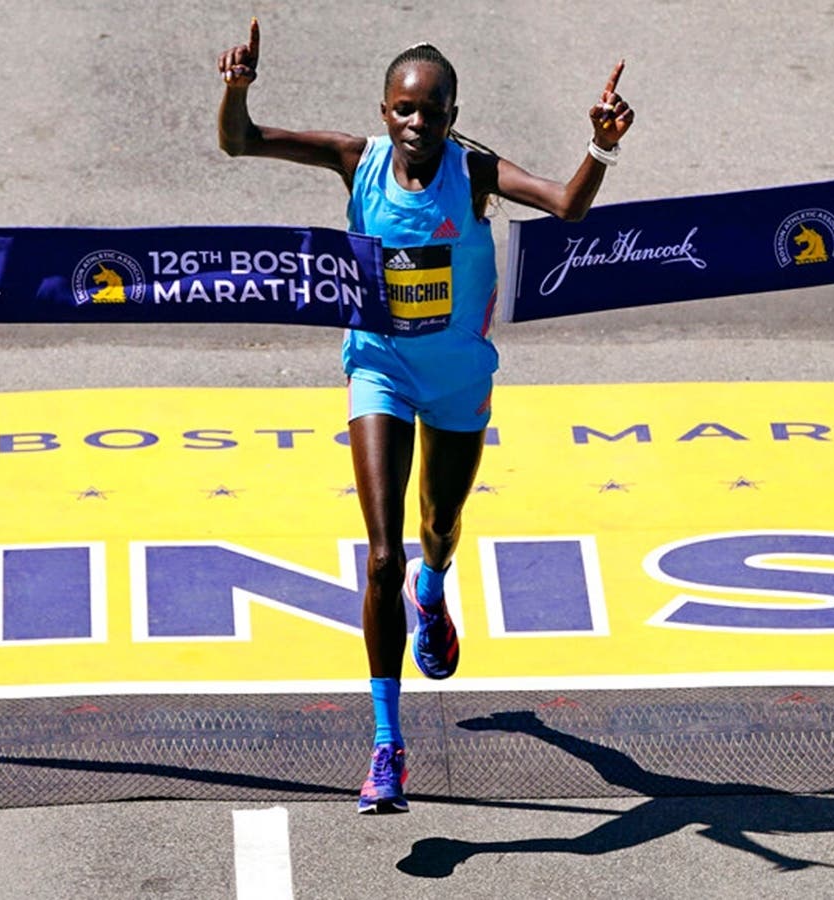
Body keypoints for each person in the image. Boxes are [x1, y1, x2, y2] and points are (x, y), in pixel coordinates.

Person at [217, 18, 634, 814]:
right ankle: (386, 744)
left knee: (438, 524)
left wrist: (602, 146)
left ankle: (436, 586)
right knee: (381, 555)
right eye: (404, 110)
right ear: (384, 111)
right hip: (380, 368)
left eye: (432, 112)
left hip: (457, 385)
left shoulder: (473, 174)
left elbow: (566, 206)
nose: (417, 125)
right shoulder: (357, 163)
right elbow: (244, 143)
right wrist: (236, 91)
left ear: (452, 116)